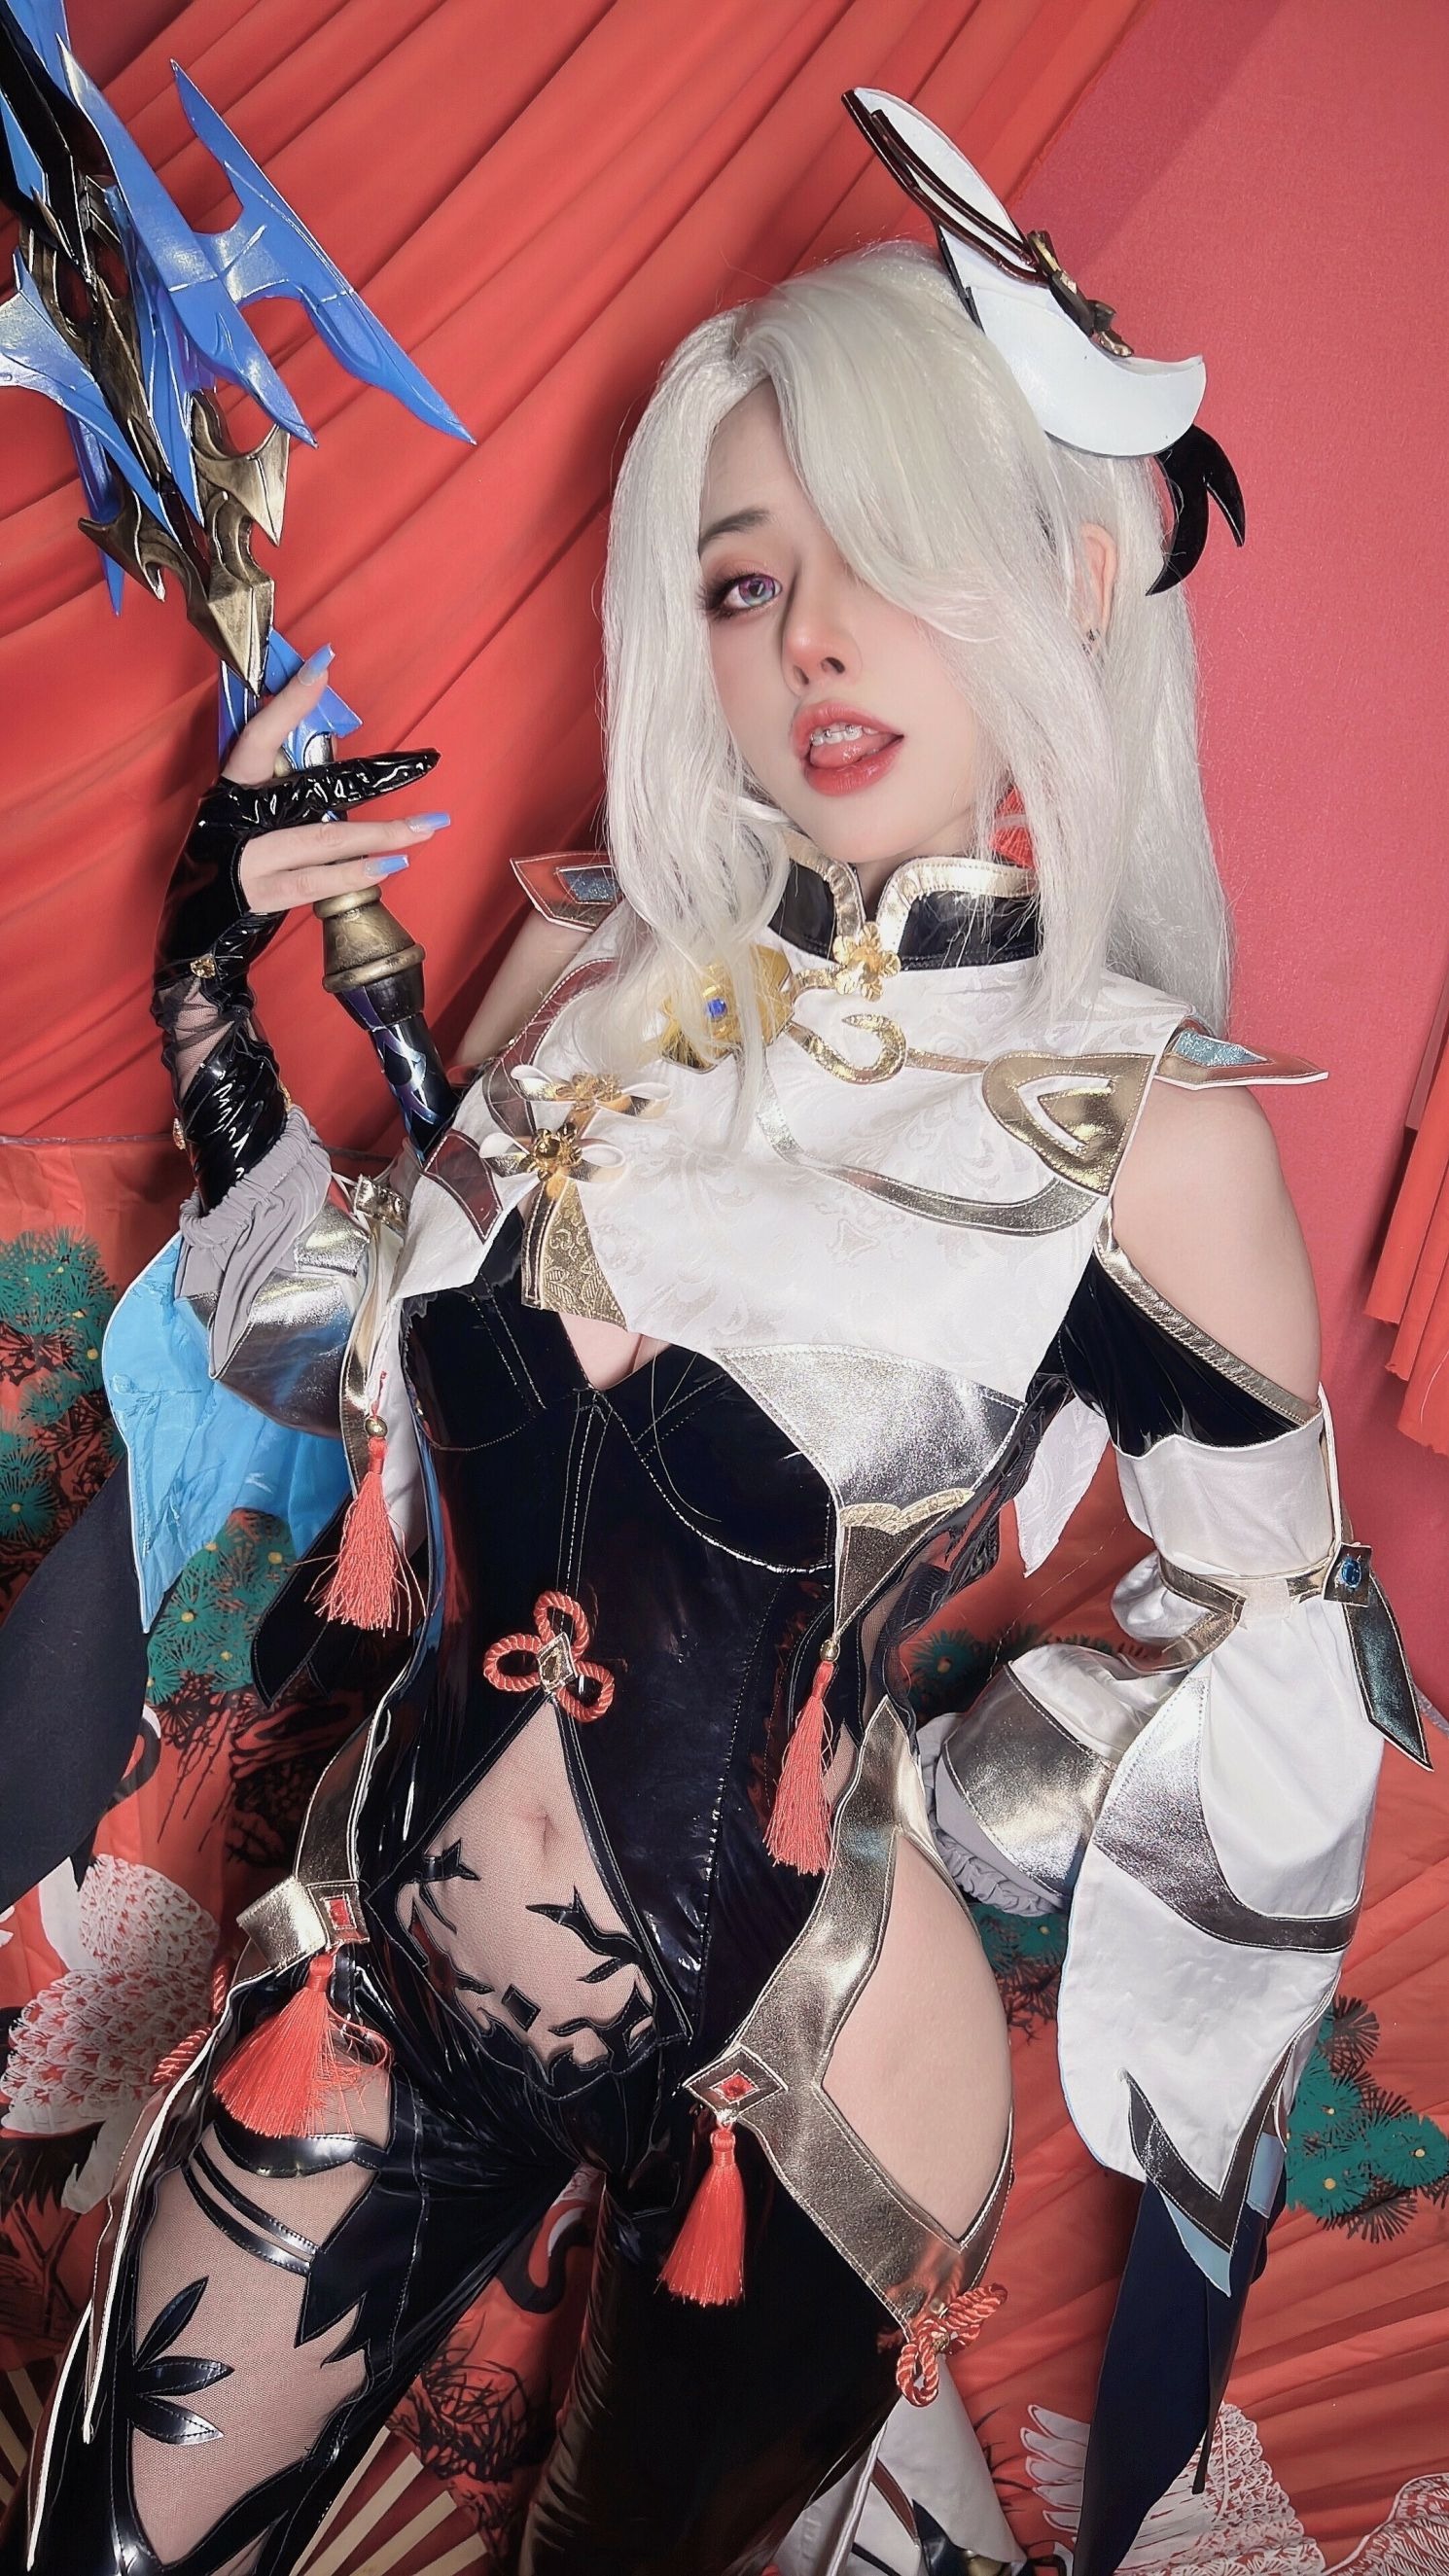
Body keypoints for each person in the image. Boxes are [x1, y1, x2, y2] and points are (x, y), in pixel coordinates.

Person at [9, 91, 1418, 2576]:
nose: (811, 641)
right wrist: (212, 995)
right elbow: (344, 1366)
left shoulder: (1141, 1129)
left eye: (885, 550)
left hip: (806, 2057)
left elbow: (1279, 1637)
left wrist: (974, 1789)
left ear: (1067, 577)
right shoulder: (605, 988)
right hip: (396, 1960)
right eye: (747, 581)